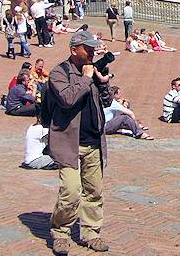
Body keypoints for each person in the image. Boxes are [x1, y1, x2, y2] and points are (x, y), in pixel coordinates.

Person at [47, 31, 112, 255]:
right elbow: (67, 99)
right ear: (75, 50)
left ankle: (91, 232)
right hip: (68, 141)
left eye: (93, 48)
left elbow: (107, 102)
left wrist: (103, 82)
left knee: (94, 191)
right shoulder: (59, 73)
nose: (92, 52)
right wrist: (86, 78)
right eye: (88, 48)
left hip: (93, 140)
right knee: (71, 191)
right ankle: (61, 232)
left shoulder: (92, 69)